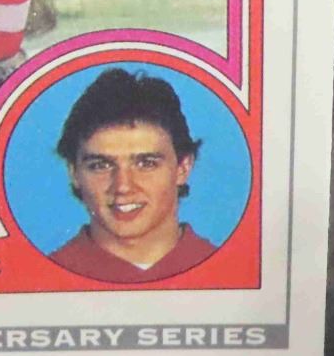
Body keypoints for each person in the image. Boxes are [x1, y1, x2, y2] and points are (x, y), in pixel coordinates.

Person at [47, 67, 217, 282]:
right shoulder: (41, 276)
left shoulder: (230, 269)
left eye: (146, 163)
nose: (123, 186)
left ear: (183, 168)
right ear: (74, 173)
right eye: (101, 165)